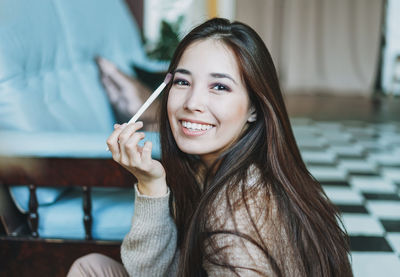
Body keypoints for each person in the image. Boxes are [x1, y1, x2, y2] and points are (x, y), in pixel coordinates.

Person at [68, 18, 353, 277]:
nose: (192, 102)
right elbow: (152, 271)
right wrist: (151, 184)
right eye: (182, 81)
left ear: (254, 108)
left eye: (219, 87)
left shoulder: (238, 207)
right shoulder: (205, 167)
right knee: (91, 266)